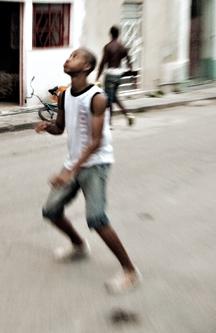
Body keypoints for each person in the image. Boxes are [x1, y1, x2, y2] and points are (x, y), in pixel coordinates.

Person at [36, 48, 141, 294]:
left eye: (74, 57)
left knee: (96, 219)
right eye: (69, 56)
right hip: (74, 163)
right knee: (51, 211)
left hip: (96, 163)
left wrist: (69, 171)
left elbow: (96, 142)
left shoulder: (97, 98)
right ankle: (78, 246)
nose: (68, 59)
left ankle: (130, 271)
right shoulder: (64, 95)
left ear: (86, 67)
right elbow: (60, 128)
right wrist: (48, 127)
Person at [96, 26, 135, 127]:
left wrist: (97, 77)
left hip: (110, 75)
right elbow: (129, 61)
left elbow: (103, 63)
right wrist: (133, 77)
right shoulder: (122, 47)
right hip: (118, 75)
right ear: (118, 34)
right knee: (114, 97)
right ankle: (128, 114)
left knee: (108, 100)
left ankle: (109, 124)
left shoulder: (108, 47)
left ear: (110, 34)